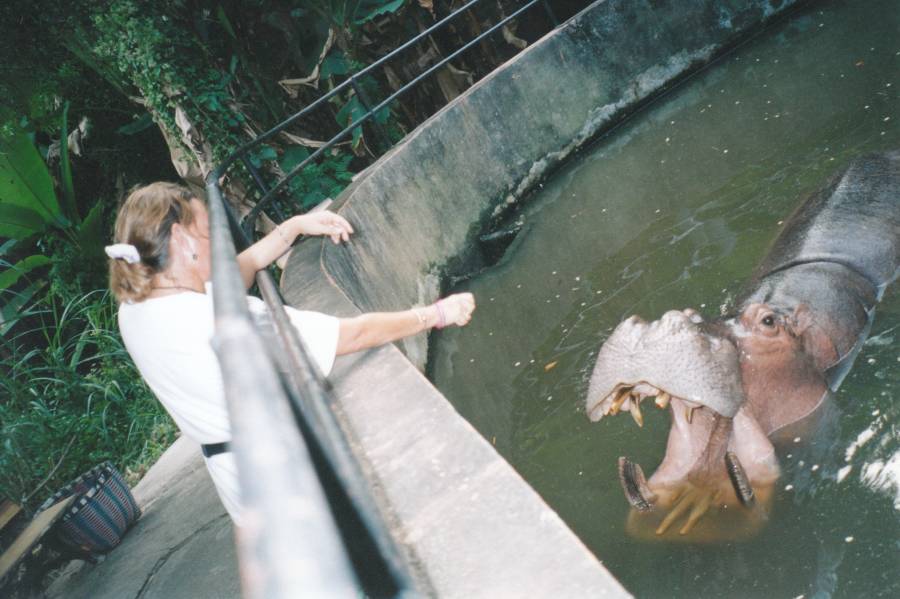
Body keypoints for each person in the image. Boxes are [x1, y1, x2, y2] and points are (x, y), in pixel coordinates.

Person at [106, 182, 475, 525]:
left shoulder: (136, 310)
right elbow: (350, 334)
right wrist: (435, 314)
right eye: (208, 232)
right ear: (181, 238)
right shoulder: (222, 320)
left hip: (237, 481)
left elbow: (240, 270)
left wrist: (295, 227)